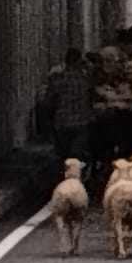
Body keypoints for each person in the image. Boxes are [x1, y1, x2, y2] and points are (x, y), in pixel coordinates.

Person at [43, 48, 95, 178]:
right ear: (78, 61)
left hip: (61, 122)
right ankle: (76, 180)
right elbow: (92, 97)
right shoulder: (84, 79)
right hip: (81, 122)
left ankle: (61, 179)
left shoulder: (57, 78)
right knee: (77, 155)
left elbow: (48, 99)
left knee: (62, 155)